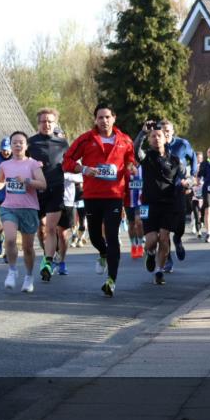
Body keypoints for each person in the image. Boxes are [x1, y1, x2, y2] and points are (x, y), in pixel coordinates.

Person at [62, 103, 137, 297]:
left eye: (107, 117)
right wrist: (84, 169)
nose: (104, 121)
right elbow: (67, 161)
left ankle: (111, 280)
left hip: (114, 196)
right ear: (95, 120)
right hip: (92, 195)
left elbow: (130, 161)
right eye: (100, 117)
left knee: (112, 236)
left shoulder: (125, 140)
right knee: (95, 236)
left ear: (114, 118)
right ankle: (103, 253)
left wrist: (131, 168)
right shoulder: (86, 139)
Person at [0, 131, 47, 292]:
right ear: (11, 146)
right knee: (10, 239)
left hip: (29, 209)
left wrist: (27, 181)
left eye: (21, 142)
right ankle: (12, 270)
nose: (18, 145)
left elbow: (43, 184)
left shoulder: (33, 164)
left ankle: (29, 276)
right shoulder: (5, 165)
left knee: (28, 247)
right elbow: (1, 181)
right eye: (15, 142)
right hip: (9, 207)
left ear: (26, 146)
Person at [134, 122, 188, 284]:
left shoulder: (175, 160)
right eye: (153, 136)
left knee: (164, 238)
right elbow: (135, 150)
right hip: (149, 204)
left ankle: (159, 271)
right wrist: (143, 133)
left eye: (159, 136)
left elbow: (185, 176)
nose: (156, 138)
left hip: (169, 204)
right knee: (151, 241)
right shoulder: (146, 157)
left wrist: (187, 183)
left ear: (165, 138)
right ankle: (150, 254)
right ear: (149, 140)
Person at [27, 109, 70, 282]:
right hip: (35, 191)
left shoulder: (63, 143)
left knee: (51, 228)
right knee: (40, 229)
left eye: (50, 121)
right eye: (43, 121)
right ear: (38, 124)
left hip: (56, 189)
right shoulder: (30, 143)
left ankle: (48, 262)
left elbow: (71, 163)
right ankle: (46, 254)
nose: (47, 124)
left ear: (55, 123)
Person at [162, 120, 197, 262]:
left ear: (172, 131)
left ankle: (177, 239)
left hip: (179, 188)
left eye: (167, 131)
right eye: (162, 130)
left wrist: (192, 177)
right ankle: (167, 259)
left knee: (180, 223)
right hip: (162, 190)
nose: (165, 133)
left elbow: (193, 157)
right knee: (163, 229)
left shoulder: (182, 144)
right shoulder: (157, 145)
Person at [56, 168, 83, 275]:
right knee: (45, 231)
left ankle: (61, 262)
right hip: (51, 200)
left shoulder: (72, 161)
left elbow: (81, 177)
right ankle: (49, 258)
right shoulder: (49, 158)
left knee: (62, 235)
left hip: (68, 202)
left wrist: (65, 176)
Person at [125, 165, 146, 259]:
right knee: (131, 224)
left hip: (143, 201)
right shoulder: (126, 167)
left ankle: (140, 245)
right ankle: (133, 245)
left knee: (140, 222)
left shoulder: (144, 167)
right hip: (129, 201)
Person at [191, 151, 205, 237]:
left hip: (203, 191)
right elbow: (189, 177)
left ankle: (201, 221)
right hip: (194, 191)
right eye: (198, 157)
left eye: (201, 158)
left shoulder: (204, 166)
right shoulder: (192, 167)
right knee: (195, 211)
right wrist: (192, 183)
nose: (200, 159)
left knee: (202, 212)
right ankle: (197, 228)